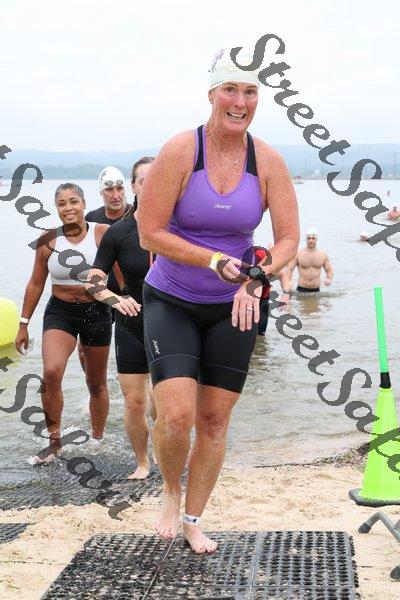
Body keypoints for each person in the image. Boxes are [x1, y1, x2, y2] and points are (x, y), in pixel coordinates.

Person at [137, 48, 299, 553]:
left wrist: (257, 278)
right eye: (231, 89)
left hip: (237, 303)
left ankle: (193, 518)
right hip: (172, 298)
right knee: (176, 415)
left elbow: (289, 239)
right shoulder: (181, 151)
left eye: (250, 92)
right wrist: (211, 260)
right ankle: (169, 490)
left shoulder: (267, 161)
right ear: (211, 94)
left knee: (213, 419)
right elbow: (148, 232)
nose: (240, 101)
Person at [15, 184, 112, 463]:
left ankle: (97, 440)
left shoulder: (102, 233)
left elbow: (122, 279)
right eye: (62, 203)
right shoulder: (48, 239)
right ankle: (54, 441)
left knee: (96, 382)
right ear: (56, 208)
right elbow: (36, 283)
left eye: (73, 201)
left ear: (84, 203)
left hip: (97, 312)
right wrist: (23, 324)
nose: (68, 208)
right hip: (60, 312)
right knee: (51, 371)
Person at [86, 157, 156, 479]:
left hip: (172, 323)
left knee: (165, 405)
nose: (151, 186)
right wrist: (115, 299)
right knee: (135, 403)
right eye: (144, 180)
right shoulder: (119, 233)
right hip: (132, 320)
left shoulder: (178, 229)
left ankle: (168, 454)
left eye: (158, 179)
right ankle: (142, 463)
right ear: (134, 186)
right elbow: (93, 281)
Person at [254, 245, 290, 336]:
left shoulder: (261, 254)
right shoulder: (233, 254)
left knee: (261, 334)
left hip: (263, 298)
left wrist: (286, 294)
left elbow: (282, 275)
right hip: (240, 299)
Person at [287, 228, 333, 292]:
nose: (311, 241)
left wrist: (329, 278)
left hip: (316, 290)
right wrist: (288, 282)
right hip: (301, 289)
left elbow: (329, 270)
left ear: (316, 239)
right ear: (306, 239)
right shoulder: (298, 254)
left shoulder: (322, 255)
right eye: (308, 238)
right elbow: (290, 269)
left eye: (313, 238)